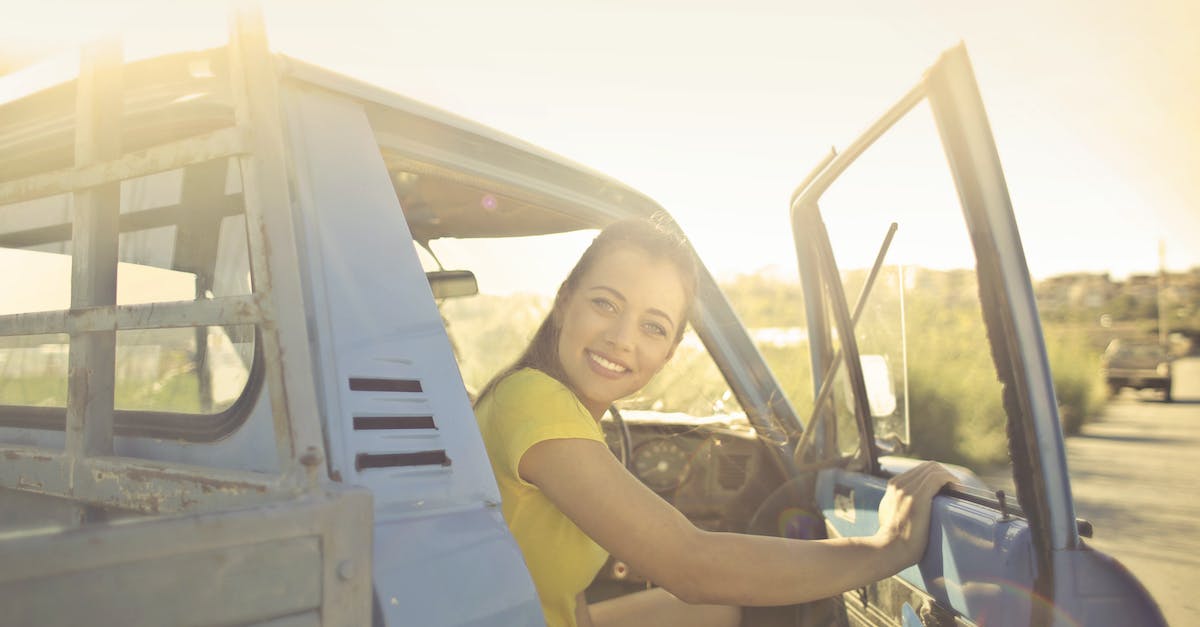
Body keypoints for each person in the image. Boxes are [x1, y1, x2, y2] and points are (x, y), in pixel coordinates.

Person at [473, 217, 956, 627]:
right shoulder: (535, 402)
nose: (622, 338)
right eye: (606, 303)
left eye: (653, 326)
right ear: (563, 302)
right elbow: (690, 565)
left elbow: (569, 605)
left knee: (730, 608)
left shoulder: (558, 413)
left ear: (667, 353)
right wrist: (886, 548)